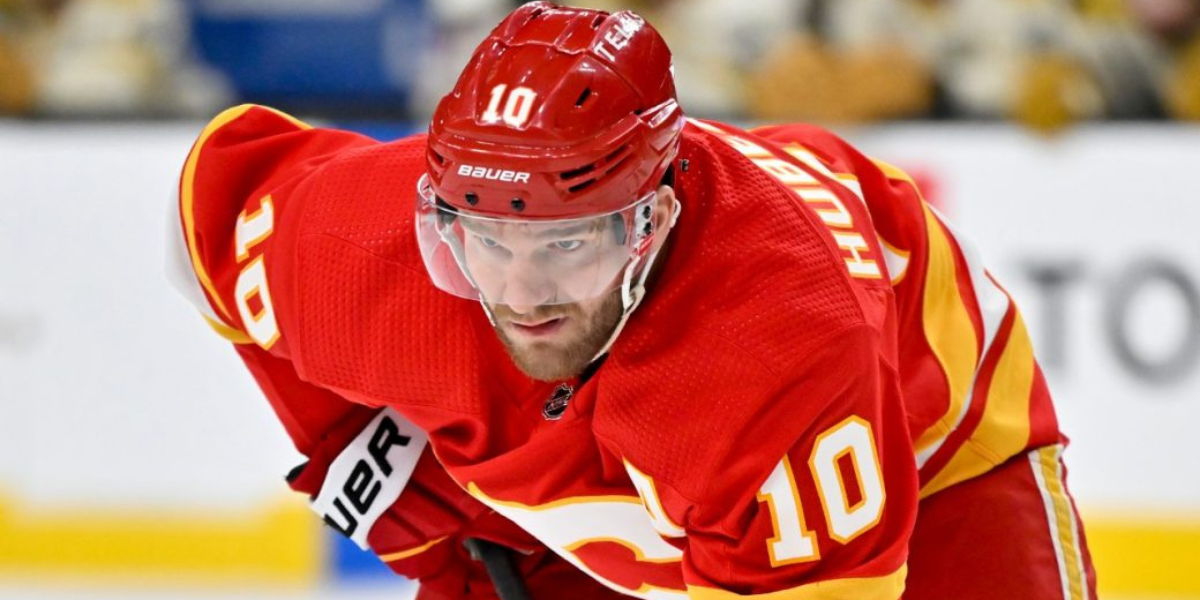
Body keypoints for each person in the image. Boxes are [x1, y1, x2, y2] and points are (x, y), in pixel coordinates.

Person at [168, 3, 1097, 598]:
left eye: (567, 242)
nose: (520, 294)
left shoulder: (773, 350)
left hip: (940, 464)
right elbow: (200, 236)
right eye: (485, 241)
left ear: (649, 221)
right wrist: (349, 447)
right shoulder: (360, 246)